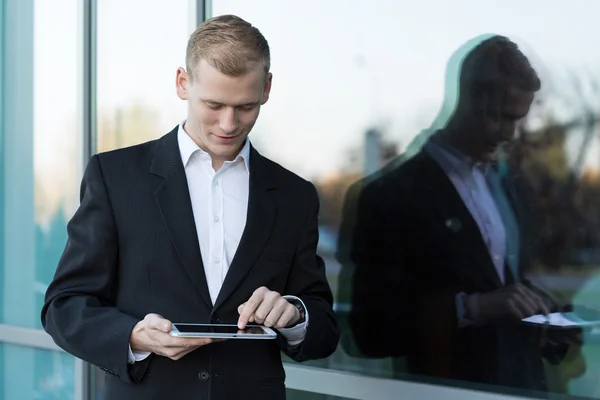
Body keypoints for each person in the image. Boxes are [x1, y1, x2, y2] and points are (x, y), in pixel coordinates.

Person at [42, 14, 339, 399]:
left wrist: (295, 315)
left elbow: (325, 330)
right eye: (213, 105)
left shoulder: (294, 195)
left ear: (267, 89)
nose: (229, 124)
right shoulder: (115, 176)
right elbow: (63, 307)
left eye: (246, 107)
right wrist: (133, 336)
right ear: (183, 83)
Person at [337, 35, 579, 393]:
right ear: (468, 99)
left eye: (519, 120)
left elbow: (506, 284)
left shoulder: (513, 186)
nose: (511, 134)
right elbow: (367, 331)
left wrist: (546, 317)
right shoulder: (386, 197)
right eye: (500, 117)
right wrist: (475, 308)